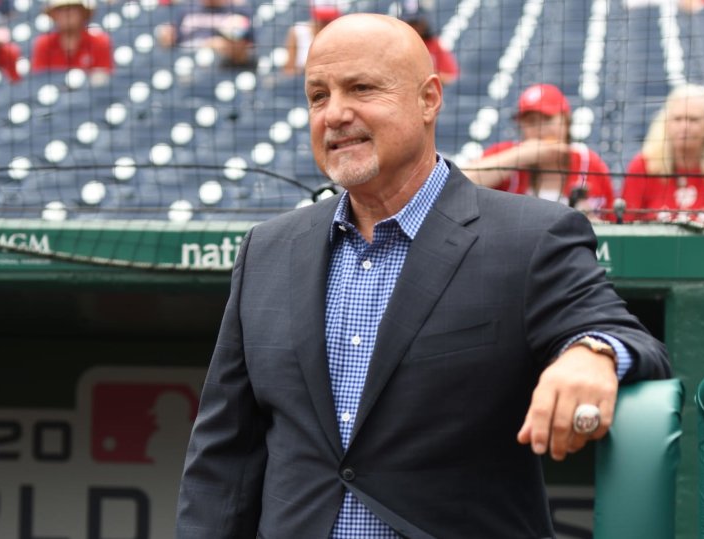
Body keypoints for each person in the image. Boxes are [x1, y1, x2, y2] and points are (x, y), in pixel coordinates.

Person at [176, 13, 670, 538]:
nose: (335, 113)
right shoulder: (267, 250)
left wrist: (591, 353)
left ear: (429, 99)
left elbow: (629, 339)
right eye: (318, 96)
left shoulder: (531, 237)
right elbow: (223, 458)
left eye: (361, 88)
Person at [464, 83, 616, 222]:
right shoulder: (507, 153)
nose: (540, 129)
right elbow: (459, 184)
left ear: (566, 120)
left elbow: (614, 223)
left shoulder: (589, 162)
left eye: (547, 119)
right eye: (531, 122)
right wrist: (523, 155)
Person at [622, 84, 704, 224]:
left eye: (693, 120)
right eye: (677, 119)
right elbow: (627, 226)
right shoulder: (642, 166)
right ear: (666, 124)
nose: (684, 127)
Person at [156, 0, 255, 68]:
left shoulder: (237, 10)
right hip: (186, 63)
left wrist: (224, 45)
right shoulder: (187, 8)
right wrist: (167, 37)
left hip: (220, 66)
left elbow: (246, 50)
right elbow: (172, 38)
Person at [30, 0, 113, 76]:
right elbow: (40, 78)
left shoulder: (100, 42)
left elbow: (104, 80)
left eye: (73, 9)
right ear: (53, 15)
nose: (67, 14)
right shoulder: (43, 44)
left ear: (83, 13)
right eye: (61, 10)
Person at [401, 7, 459, 85]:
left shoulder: (434, 44)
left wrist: (427, 74)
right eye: (409, 22)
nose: (413, 26)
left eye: (416, 23)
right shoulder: (399, 44)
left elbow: (450, 76)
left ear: (424, 23)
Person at [283, 4, 340, 75]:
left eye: (329, 20)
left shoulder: (340, 33)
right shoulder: (298, 32)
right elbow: (288, 70)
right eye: (322, 20)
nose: (325, 23)